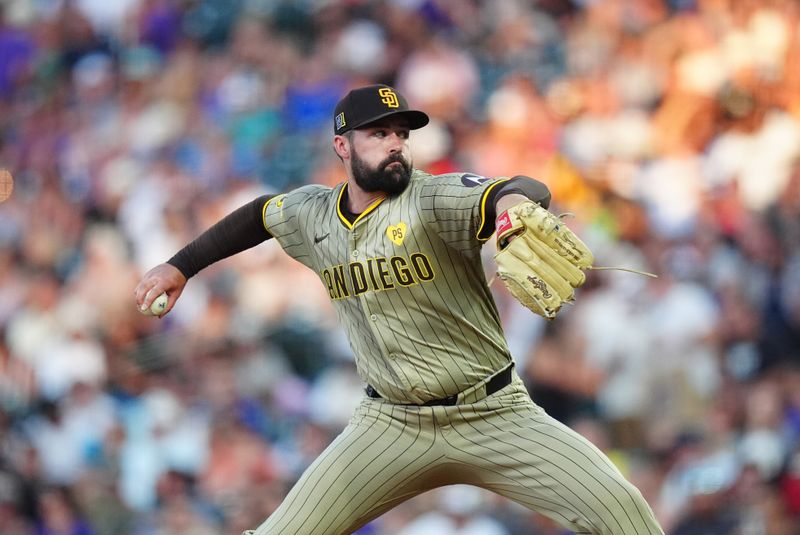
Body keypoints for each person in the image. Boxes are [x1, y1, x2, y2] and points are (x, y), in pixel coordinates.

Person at [134, 84, 664, 535]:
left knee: (625, 515)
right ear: (342, 145)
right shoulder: (313, 214)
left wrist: (512, 214)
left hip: (494, 412)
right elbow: (258, 216)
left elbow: (516, 188)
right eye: (379, 133)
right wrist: (181, 266)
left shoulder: (431, 199)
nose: (395, 145)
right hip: (390, 423)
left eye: (401, 134)